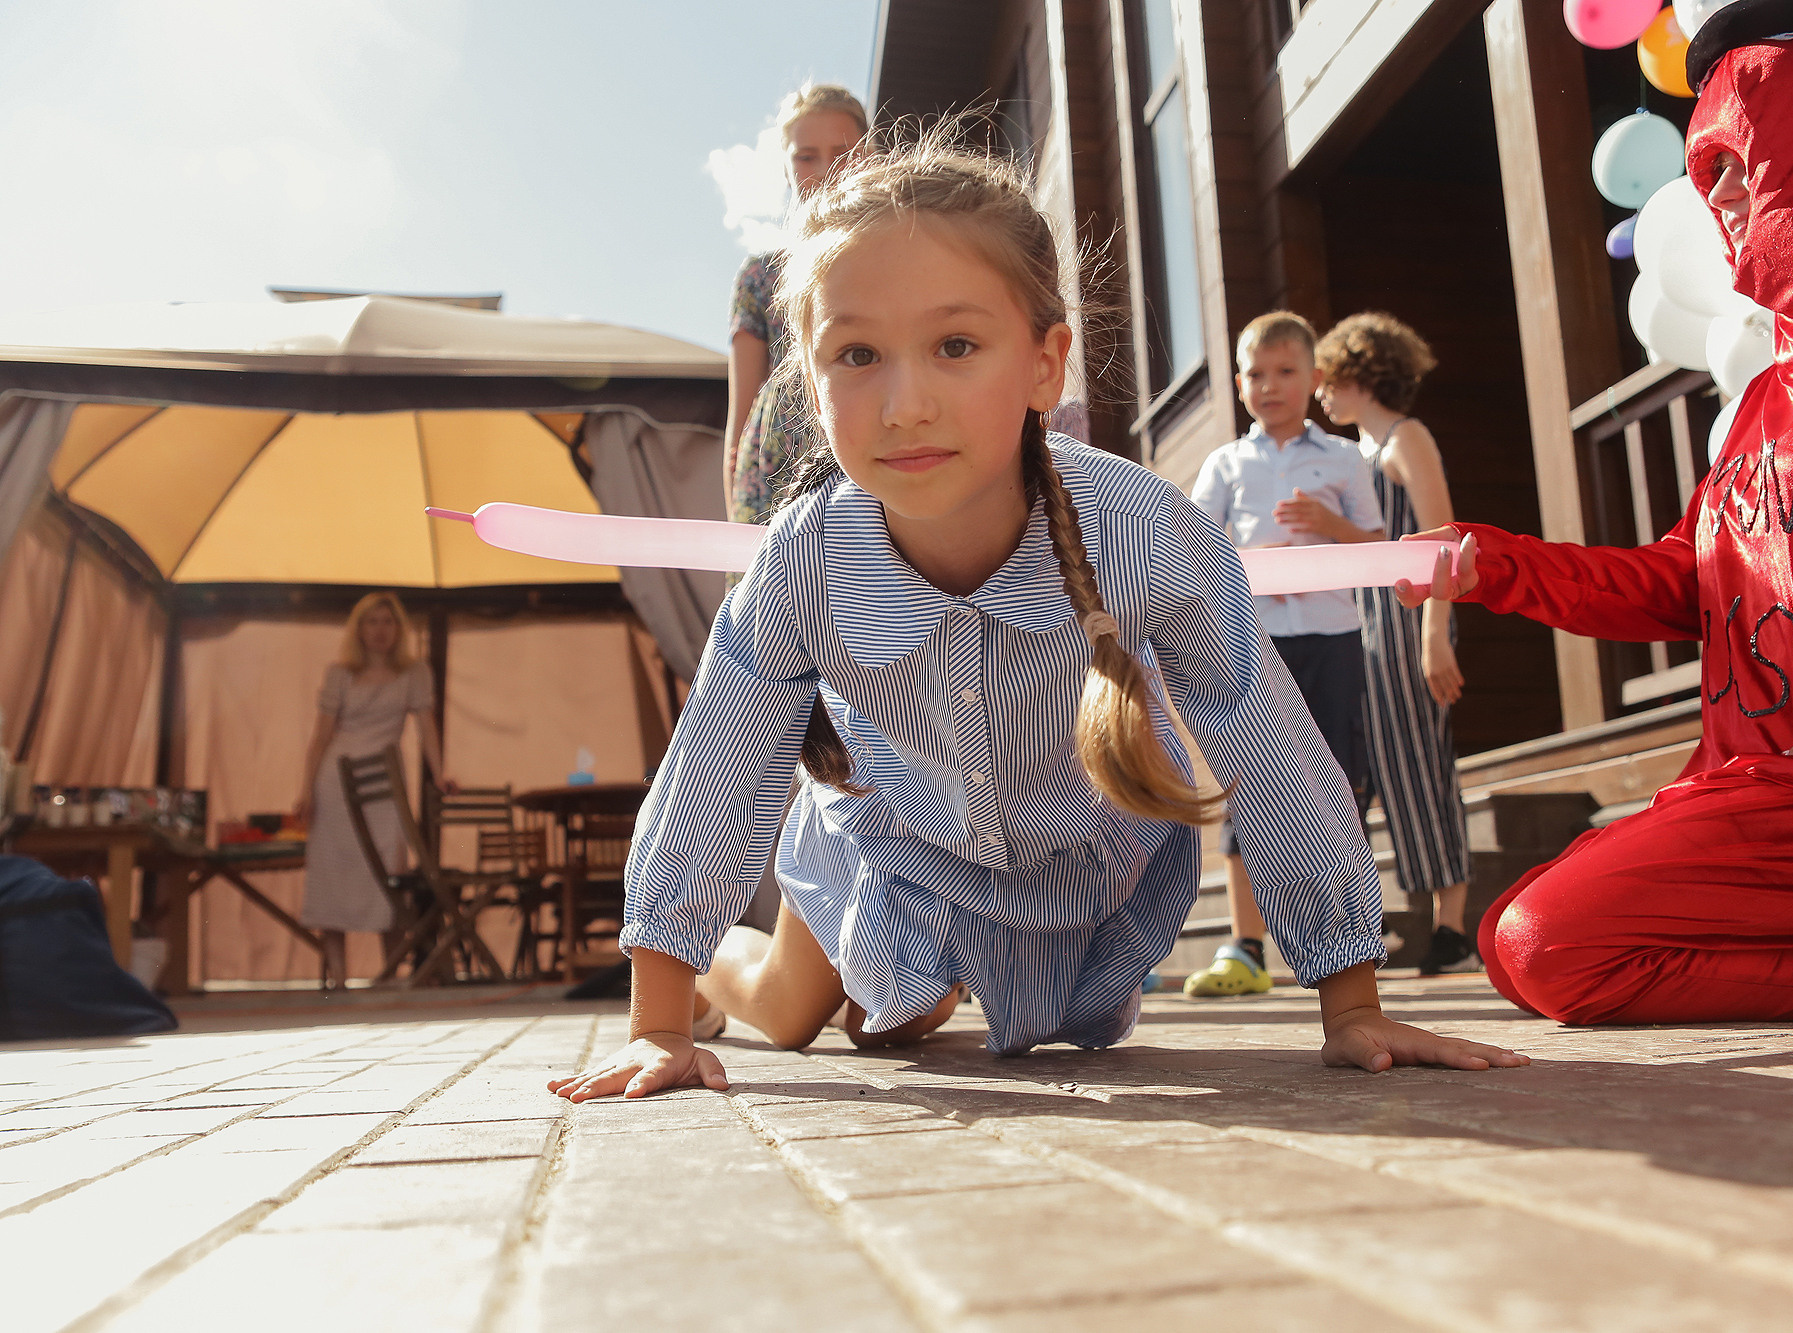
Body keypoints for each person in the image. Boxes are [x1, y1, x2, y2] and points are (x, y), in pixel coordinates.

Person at [550, 133, 1527, 1101]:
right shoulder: (803, 559)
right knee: (798, 1014)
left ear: (1044, 363)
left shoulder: (1145, 531)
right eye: (856, 354)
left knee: (1000, 1027)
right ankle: (742, 978)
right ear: (812, 384)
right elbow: (715, 765)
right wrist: (660, 1021)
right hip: (888, 832)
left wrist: (1349, 1001)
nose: (903, 403)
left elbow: (1263, 735)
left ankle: (903, 986)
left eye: (956, 345)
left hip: (1081, 863)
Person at [1396, 6, 1793, 1024]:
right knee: (1521, 944)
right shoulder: (1769, 392)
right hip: (1792, 788)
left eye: (1734, 158)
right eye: (1699, 167)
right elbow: (1688, 581)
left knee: (1547, 943)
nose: (1709, 194)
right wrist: (1489, 564)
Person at [1182, 311, 1384, 998]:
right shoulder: (1225, 464)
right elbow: (1191, 550)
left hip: (1332, 636)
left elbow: (1379, 547)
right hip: (1254, 641)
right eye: (1255, 374)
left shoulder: (1344, 457)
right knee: (1250, 783)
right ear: (1239, 383)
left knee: (1338, 783)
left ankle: (1346, 935)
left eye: (1285, 372)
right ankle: (1246, 945)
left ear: (1314, 378)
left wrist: (1331, 528)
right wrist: (1244, 559)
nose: (1269, 386)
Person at [1317, 313, 1477, 976]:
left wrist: (1435, 633)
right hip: (1368, 621)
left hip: (1413, 617)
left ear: (1363, 374)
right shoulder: (1352, 456)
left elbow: (1443, 537)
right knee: (1380, 763)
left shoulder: (1406, 439)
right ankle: (1409, 919)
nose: (1321, 392)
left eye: (1331, 377)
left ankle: (1454, 927)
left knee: (1421, 759)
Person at [724, 83, 870, 525]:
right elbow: (742, 410)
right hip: (772, 479)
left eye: (843, 152)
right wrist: (734, 526)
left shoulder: (901, 263)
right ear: (787, 168)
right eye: (807, 156)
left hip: (868, 462)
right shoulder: (759, 277)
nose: (826, 169)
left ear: (869, 156)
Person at [296, 592, 452, 990]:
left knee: (388, 877)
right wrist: (305, 790)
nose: (380, 631)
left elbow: (426, 728)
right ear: (359, 629)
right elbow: (320, 737)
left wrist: (440, 773)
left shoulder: (413, 673)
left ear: (398, 629)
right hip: (335, 783)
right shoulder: (340, 673)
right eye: (371, 622)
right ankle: (339, 980)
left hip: (386, 787)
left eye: (387, 622)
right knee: (333, 876)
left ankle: (389, 972)